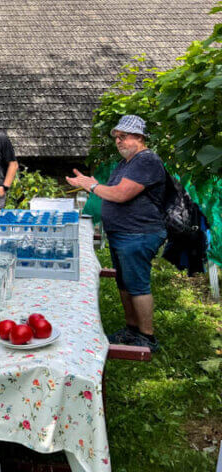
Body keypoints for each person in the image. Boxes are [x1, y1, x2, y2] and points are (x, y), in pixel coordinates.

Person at [66, 115, 166, 352]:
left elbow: (121, 194)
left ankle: (147, 337)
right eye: (117, 138)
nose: (119, 141)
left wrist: (90, 186)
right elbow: (110, 190)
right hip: (123, 233)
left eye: (124, 136)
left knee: (137, 284)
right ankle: (131, 329)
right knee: (125, 282)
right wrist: (92, 182)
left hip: (139, 233)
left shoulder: (146, 160)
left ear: (140, 137)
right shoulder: (127, 163)